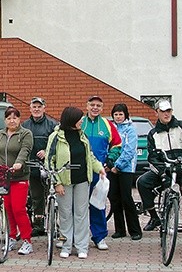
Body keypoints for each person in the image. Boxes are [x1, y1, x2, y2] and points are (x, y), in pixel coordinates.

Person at [137, 99, 182, 258]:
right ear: (157, 113)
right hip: (165, 171)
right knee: (142, 183)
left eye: (169, 111)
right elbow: (152, 158)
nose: (166, 114)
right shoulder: (153, 133)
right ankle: (155, 218)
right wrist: (162, 174)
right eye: (163, 111)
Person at [46, 107, 105, 259]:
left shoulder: (82, 136)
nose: (82, 121)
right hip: (64, 181)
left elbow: (90, 156)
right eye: (80, 118)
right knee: (65, 214)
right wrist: (56, 182)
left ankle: (81, 246)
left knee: (81, 214)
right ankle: (66, 245)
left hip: (82, 180)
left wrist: (99, 168)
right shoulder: (56, 137)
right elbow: (49, 161)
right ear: (72, 120)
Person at [0, 106, 34, 255]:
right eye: (9, 118)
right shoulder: (0, 134)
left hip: (19, 176)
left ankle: (27, 240)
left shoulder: (25, 134)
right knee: (7, 208)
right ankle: (12, 236)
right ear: (5, 120)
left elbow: (25, 151)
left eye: (15, 118)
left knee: (18, 208)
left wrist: (19, 163)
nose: (12, 121)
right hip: (3, 176)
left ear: (19, 119)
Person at [81, 95, 122, 251]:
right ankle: (80, 236)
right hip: (81, 172)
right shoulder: (80, 122)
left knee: (98, 204)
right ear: (87, 106)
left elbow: (117, 144)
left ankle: (99, 237)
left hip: (100, 172)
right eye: (92, 105)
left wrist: (109, 161)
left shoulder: (107, 124)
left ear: (102, 108)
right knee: (79, 206)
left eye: (98, 105)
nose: (95, 108)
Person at [22, 97, 57, 236]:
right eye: (34, 107)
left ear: (44, 108)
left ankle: (52, 224)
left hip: (48, 167)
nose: (36, 109)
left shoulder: (52, 125)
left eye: (39, 107)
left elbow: (57, 144)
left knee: (50, 196)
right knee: (36, 197)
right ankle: (38, 225)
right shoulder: (24, 125)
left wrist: (47, 151)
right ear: (30, 109)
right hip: (31, 167)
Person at [108, 104, 142, 241]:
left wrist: (118, 165)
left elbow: (129, 150)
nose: (118, 117)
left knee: (126, 198)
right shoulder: (111, 128)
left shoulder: (130, 129)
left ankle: (135, 230)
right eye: (116, 114)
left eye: (121, 114)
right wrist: (110, 164)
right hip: (112, 168)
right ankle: (119, 229)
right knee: (114, 198)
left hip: (126, 169)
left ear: (126, 115)